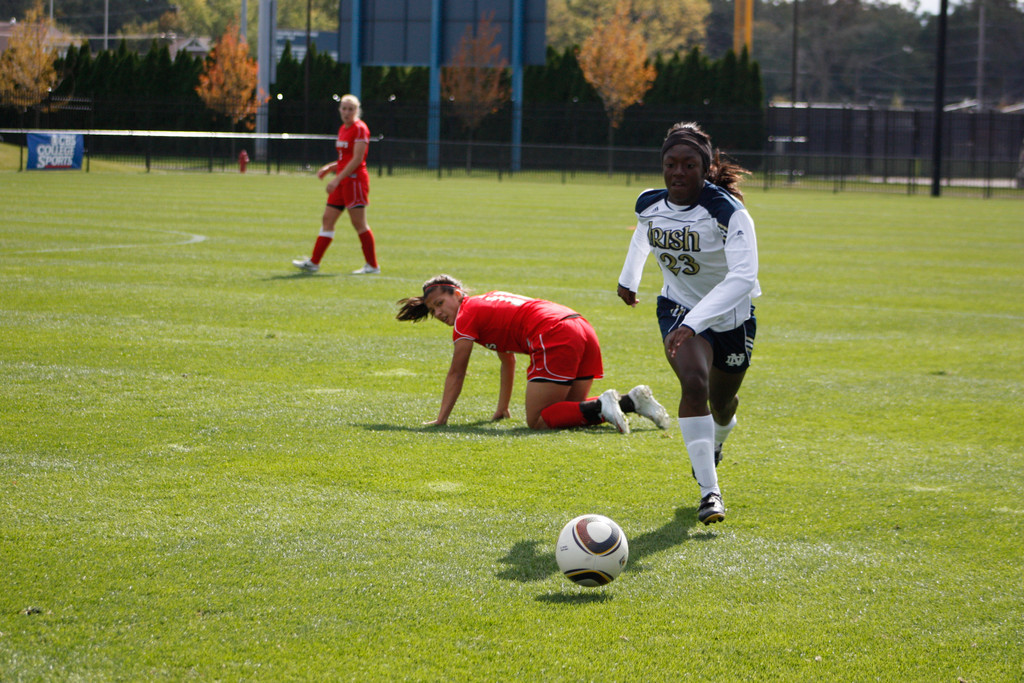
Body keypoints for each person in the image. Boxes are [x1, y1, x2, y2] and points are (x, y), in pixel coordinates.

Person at [616, 122, 761, 526]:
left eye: (689, 165)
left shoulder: (729, 213)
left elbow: (743, 280)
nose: (678, 172)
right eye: (670, 164)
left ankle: (716, 442)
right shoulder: (649, 203)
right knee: (694, 383)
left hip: (732, 318)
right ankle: (709, 492)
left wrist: (698, 321)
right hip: (677, 309)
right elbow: (644, 234)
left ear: (706, 166)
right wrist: (629, 278)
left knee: (722, 403)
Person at [396, 274, 674, 433]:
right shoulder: (483, 304)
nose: (439, 313)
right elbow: (508, 358)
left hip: (554, 332)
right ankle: (631, 402)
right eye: (432, 310)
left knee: (539, 420)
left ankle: (603, 404)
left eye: (440, 303)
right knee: (567, 415)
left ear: (457, 294)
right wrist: (502, 408)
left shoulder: (466, 315)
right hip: (580, 326)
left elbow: (457, 372)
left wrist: (442, 419)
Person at [292, 94, 380, 275]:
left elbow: (357, 159)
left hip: (354, 181)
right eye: (344, 108)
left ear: (357, 111)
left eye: (351, 109)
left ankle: (372, 266)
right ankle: (314, 262)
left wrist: (337, 178)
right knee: (327, 219)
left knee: (359, 224)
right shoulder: (343, 128)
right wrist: (329, 168)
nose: (347, 112)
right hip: (342, 180)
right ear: (339, 109)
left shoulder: (360, 129)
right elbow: (344, 158)